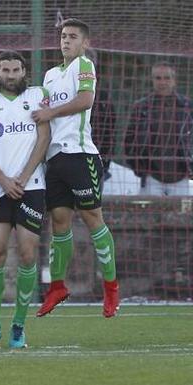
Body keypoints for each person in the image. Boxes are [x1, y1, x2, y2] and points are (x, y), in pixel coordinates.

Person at [31, 18, 120, 318]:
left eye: (72, 37)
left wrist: (50, 112)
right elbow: (43, 117)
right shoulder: (50, 75)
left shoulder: (84, 65)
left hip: (80, 154)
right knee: (58, 221)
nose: (65, 41)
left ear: (85, 43)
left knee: (93, 217)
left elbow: (85, 99)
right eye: (63, 36)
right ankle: (57, 286)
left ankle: (111, 287)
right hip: (55, 159)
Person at [0, 51, 51, 349]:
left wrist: (23, 177)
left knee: (29, 254)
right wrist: (3, 182)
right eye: (5, 70)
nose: (11, 75)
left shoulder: (37, 95)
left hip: (31, 186)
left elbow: (43, 139)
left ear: (23, 72)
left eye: (16, 69)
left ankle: (19, 325)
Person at [124, 61, 192, 196]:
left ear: (174, 81)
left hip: (181, 175)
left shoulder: (187, 107)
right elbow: (129, 140)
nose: (162, 82)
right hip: (151, 176)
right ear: (152, 80)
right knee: (149, 215)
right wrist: (138, 168)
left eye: (167, 78)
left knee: (180, 216)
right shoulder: (141, 107)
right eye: (158, 78)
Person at [85, 48, 117, 180]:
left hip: (96, 164)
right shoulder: (59, 89)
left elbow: (109, 134)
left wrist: (104, 164)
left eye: (90, 61)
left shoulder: (103, 97)